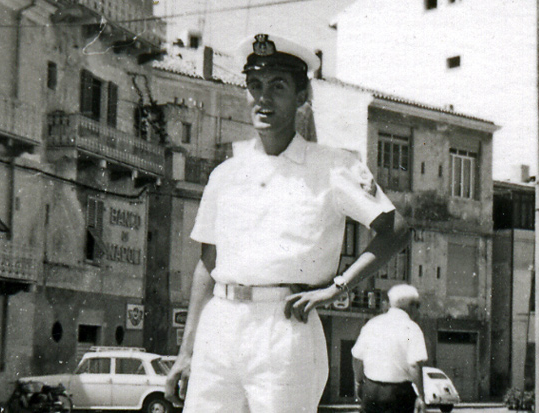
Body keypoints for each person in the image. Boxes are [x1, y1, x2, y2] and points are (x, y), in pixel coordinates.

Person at [164, 33, 410, 413]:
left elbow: (395, 229)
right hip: (221, 326)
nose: (263, 98)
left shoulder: (334, 166)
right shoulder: (226, 173)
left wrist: (337, 287)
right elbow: (208, 264)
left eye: (277, 86)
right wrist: (186, 351)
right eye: (255, 85)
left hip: (284, 326)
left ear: (301, 97)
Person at [351, 284, 427, 413]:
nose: (418, 311)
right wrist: (421, 396)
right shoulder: (412, 328)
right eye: (417, 306)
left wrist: (358, 383)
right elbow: (414, 365)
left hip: (371, 391)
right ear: (411, 306)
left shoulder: (372, 324)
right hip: (398, 394)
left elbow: (357, 357)